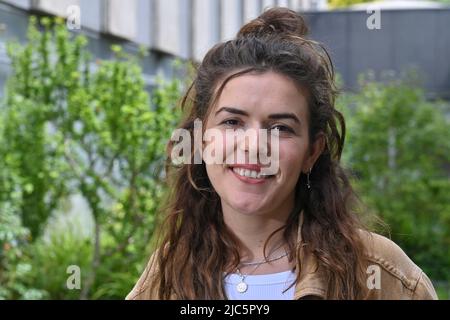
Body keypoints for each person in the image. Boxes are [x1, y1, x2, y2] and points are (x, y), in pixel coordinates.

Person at [126, 7, 437, 300]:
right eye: (232, 122)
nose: (254, 145)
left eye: (281, 128)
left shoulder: (381, 276)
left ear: (312, 153)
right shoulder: (167, 275)